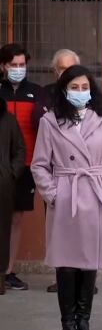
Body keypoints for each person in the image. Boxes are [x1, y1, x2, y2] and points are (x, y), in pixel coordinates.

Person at [31, 65, 102, 330]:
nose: (80, 92)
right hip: (66, 197)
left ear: (91, 90)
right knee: (67, 264)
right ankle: (68, 324)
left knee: (89, 262)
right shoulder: (50, 122)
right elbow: (39, 164)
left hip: (95, 196)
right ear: (64, 90)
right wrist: (54, 194)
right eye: (74, 88)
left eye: (84, 88)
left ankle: (84, 321)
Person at [33, 48, 80, 293]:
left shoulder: (87, 94)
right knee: (58, 231)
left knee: (84, 229)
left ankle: (84, 278)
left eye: (70, 68)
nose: (66, 73)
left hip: (85, 179)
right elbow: (38, 120)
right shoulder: (46, 94)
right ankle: (61, 278)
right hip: (56, 176)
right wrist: (51, 192)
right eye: (62, 69)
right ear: (55, 71)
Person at [0, 43, 43, 290]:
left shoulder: (36, 93)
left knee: (16, 218)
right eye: (13, 65)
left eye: (22, 65)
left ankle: (8, 271)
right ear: (3, 66)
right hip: (2, 167)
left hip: (26, 165)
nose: (18, 69)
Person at [0, 97, 26, 296]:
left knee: (2, 232)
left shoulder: (8, 120)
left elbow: (19, 149)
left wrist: (11, 173)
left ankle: (1, 278)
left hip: (3, 185)